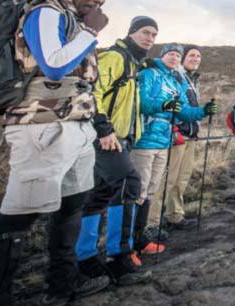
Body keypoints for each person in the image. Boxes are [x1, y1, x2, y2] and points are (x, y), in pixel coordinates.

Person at [0, 0, 112, 305]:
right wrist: (89, 33)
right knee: (19, 218)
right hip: (43, 128)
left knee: (72, 208)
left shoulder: (71, 18)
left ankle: (61, 287)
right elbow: (52, 64)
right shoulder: (46, 11)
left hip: (77, 127)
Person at [75, 16, 159, 287]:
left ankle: (85, 259)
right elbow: (93, 91)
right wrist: (103, 128)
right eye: (145, 32)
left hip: (117, 139)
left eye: (154, 35)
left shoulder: (132, 63)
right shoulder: (115, 56)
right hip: (106, 138)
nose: (150, 38)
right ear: (132, 32)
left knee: (100, 194)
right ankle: (119, 257)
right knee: (129, 183)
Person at [130, 44, 216, 250]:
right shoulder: (149, 73)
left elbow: (185, 110)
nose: (175, 57)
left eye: (177, 55)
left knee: (155, 185)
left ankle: (146, 232)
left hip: (164, 138)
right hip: (147, 138)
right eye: (172, 54)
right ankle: (139, 231)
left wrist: (203, 111)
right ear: (163, 55)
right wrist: (164, 107)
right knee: (144, 188)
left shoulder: (175, 81)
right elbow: (141, 101)